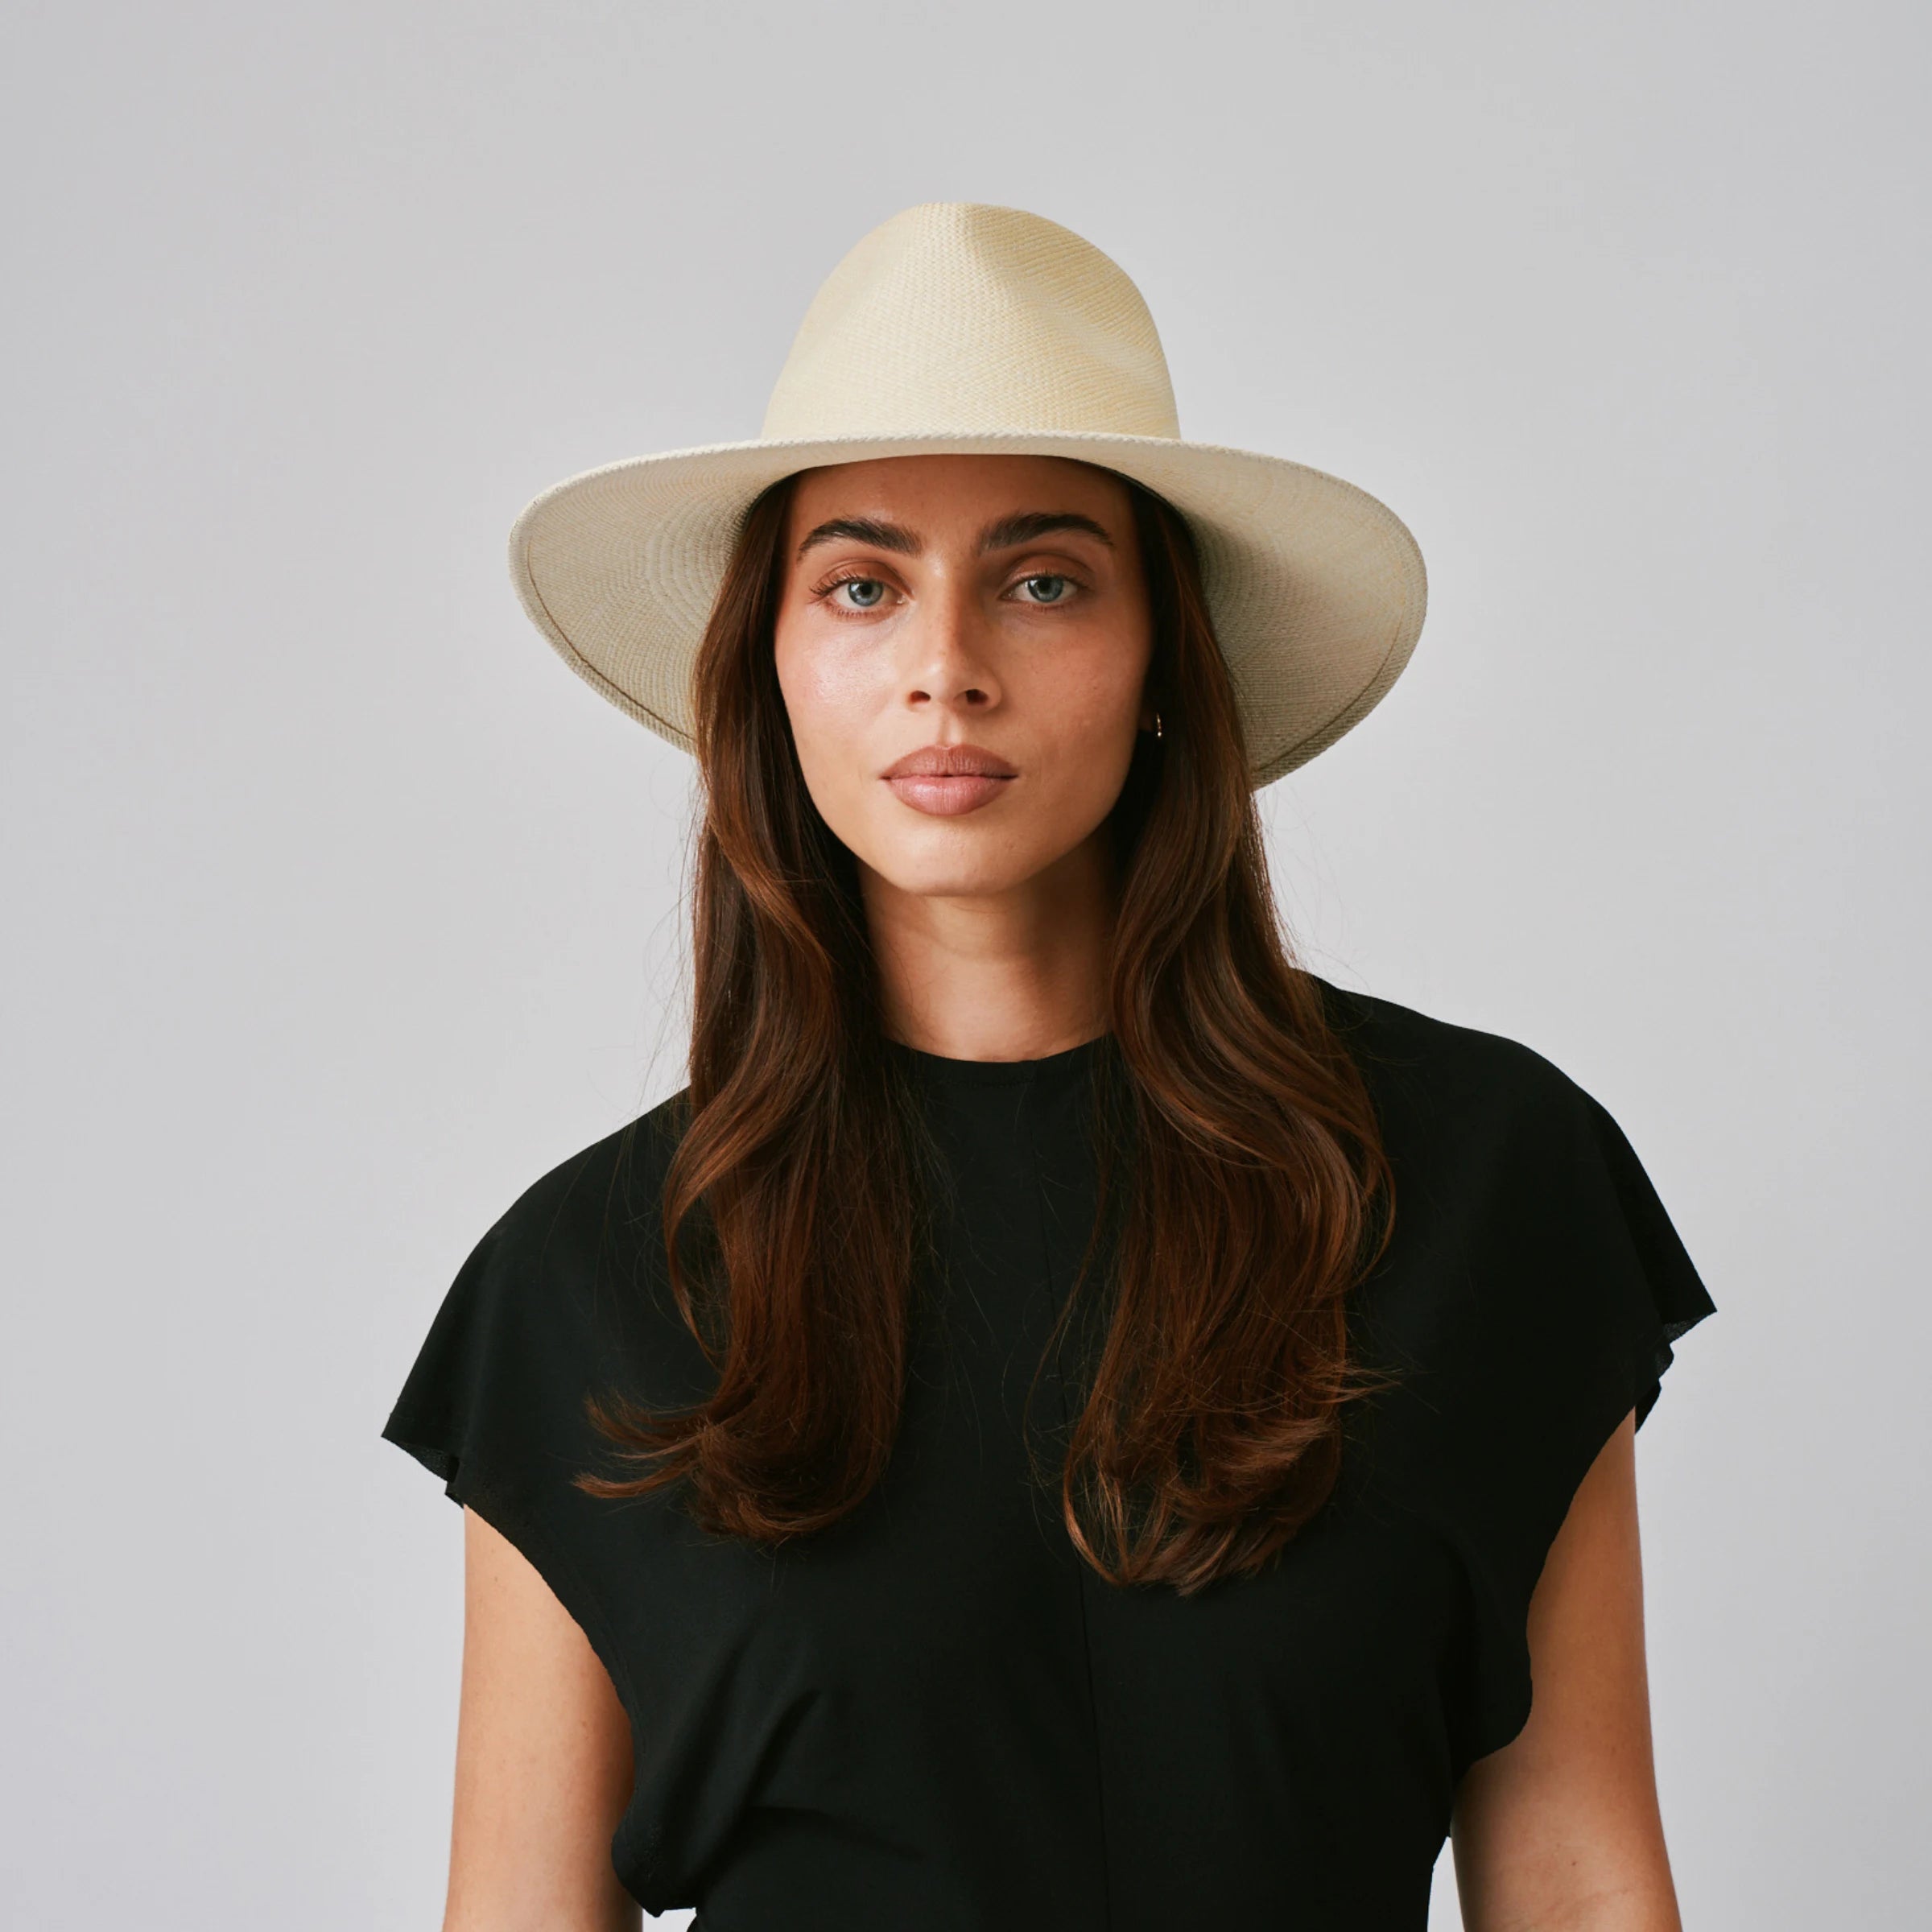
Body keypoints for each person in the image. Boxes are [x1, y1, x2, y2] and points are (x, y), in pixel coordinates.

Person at [382, 203, 1716, 1932]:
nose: (948, 670)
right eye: (861, 585)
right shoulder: (581, 1285)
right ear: (767, 668)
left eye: (1042, 580)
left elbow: (1586, 1878)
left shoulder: (1481, 1185)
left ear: (1166, 650)